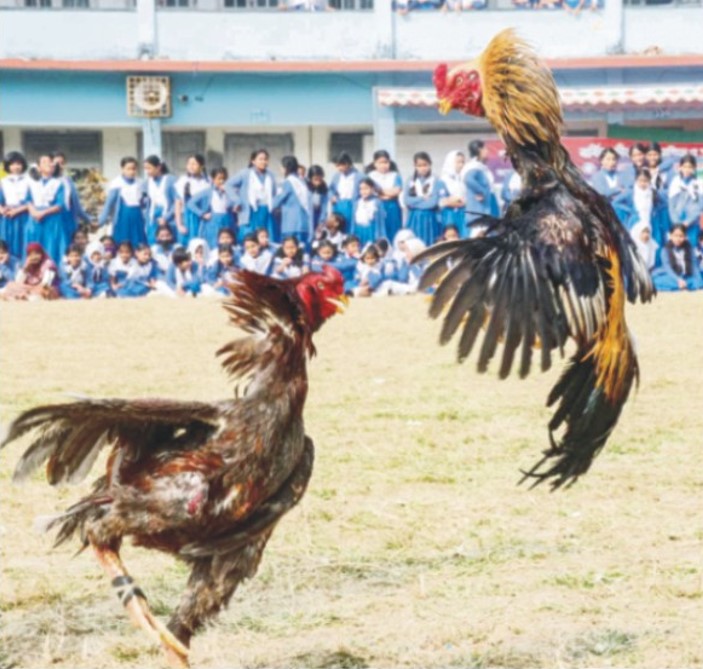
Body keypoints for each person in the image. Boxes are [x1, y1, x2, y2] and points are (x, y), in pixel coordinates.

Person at [225, 149, 277, 243]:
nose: (263, 162)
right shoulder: (245, 173)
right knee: (249, 237)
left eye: (265, 159)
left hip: (266, 210)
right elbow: (228, 185)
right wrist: (237, 200)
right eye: (260, 159)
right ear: (253, 161)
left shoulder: (271, 175)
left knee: (266, 237)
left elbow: (273, 193)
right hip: (250, 211)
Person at [26, 154, 67, 265]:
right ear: (39, 168)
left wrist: (43, 213)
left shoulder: (59, 184)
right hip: (35, 219)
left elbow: (59, 204)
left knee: (51, 246)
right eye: (44, 162)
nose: (49, 164)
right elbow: (28, 200)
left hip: (51, 219)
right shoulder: (32, 183)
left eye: (50, 161)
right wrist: (34, 212)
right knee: (34, 246)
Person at [98, 157, 147, 248]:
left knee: (139, 242)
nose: (131, 171)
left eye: (134, 169)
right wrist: (101, 221)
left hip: (137, 217)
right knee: (122, 242)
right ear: (122, 169)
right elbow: (109, 204)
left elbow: (144, 202)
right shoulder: (117, 183)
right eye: (128, 169)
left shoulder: (140, 183)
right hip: (122, 218)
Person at [187, 167, 237, 250]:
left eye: (224, 179)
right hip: (213, 221)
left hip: (228, 220)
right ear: (213, 179)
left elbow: (235, 203)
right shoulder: (208, 192)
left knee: (228, 241)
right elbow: (190, 203)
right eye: (219, 179)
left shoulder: (230, 191)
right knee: (213, 243)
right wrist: (202, 214)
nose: (222, 181)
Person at [271, 156, 313, 247]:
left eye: (281, 167)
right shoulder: (302, 181)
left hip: (290, 223)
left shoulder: (287, 182)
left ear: (286, 168)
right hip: (304, 222)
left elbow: (276, 201)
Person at [403, 151, 441, 245]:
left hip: (429, 217)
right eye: (419, 165)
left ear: (430, 164)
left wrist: (415, 204)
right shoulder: (411, 180)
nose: (422, 168)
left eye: (425, 165)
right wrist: (421, 198)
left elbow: (433, 202)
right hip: (414, 217)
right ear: (415, 166)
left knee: (429, 242)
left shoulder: (435, 179)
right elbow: (407, 200)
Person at [53, 152, 91, 244]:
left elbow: (76, 204)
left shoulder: (68, 181)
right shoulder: (48, 181)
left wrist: (89, 219)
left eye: (61, 163)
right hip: (54, 217)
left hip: (68, 216)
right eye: (56, 163)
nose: (59, 166)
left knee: (70, 243)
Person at [652, 224, 703, 291]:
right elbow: (668, 269)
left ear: (685, 237)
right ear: (670, 236)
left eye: (681, 236)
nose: (678, 239)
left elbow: (694, 267)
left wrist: (700, 283)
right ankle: (683, 286)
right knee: (655, 281)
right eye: (675, 236)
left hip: (687, 276)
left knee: (697, 281)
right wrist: (678, 280)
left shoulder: (690, 249)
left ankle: (682, 286)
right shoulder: (665, 250)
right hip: (673, 277)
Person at [0, 151, 31, 259]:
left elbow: (31, 200)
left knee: (23, 241)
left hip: (24, 215)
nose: (16, 167)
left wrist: (17, 210)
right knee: (6, 241)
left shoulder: (29, 181)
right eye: (12, 164)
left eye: (19, 164)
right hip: (7, 217)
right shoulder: (3, 182)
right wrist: (2, 210)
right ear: (8, 166)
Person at [367, 150, 403, 242]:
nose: (383, 165)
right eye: (380, 162)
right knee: (378, 231)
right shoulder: (370, 176)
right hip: (376, 207)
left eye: (386, 162)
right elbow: (370, 192)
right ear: (375, 163)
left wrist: (380, 191)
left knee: (393, 231)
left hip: (392, 207)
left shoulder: (395, 175)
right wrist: (387, 193)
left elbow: (396, 191)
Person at [174, 154, 210, 246]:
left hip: (203, 218)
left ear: (201, 166)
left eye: (194, 164)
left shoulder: (208, 181)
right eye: (189, 163)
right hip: (187, 218)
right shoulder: (182, 181)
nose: (191, 166)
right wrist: (179, 224)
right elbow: (178, 204)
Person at [668, 154, 702, 247]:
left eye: (690, 167)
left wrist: (687, 222)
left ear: (694, 168)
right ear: (680, 167)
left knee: (691, 249)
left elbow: (699, 207)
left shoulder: (698, 184)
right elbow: (671, 206)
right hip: (676, 223)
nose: (687, 169)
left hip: (691, 224)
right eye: (685, 166)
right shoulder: (675, 183)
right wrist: (677, 223)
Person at [143, 155, 177, 245]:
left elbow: (177, 202)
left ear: (158, 167)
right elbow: (146, 203)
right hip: (153, 216)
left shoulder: (170, 180)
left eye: (149, 168)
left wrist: (166, 217)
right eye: (145, 169)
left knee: (168, 240)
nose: (147, 172)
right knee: (153, 241)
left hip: (169, 216)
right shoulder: (147, 182)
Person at [463, 140, 494, 230]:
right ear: (478, 150)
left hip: (485, 206)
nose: (487, 151)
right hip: (478, 208)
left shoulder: (481, 166)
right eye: (484, 148)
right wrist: (482, 191)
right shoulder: (474, 166)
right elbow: (468, 179)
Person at [329, 152, 361, 232]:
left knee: (351, 228)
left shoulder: (359, 175)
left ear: (347, 164)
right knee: (338, 227)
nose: (338, 168)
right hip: (339, 205)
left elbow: (372, 186)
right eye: (337, 166)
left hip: (352, 205)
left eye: (340, 165)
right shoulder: (337, 176)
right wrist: (332, 196)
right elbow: (330, 189)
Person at [439, 150, 467, 237]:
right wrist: (460, 202)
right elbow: (444, 201)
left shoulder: (464, 179)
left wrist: (459, 201)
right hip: (449, 216)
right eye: (458, 162)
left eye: (463, 162)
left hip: (463, 215)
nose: (461, 165)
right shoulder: (443, 180)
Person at [352, 177, 386, 247]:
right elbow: (353, 221)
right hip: (359, 231)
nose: (363, 191)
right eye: (361, 189)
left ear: (372, 189)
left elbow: (380, 222)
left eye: (366, 188)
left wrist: (380, 237)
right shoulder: (357, 203)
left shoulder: (376, 202)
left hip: (371, 231)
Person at [307, 165, 329, 230]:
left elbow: (324, 207)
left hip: (318, 216)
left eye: (320, 179)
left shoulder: (324, 189)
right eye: (315, 179)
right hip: (308, 217)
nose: (318, 182)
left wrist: (321, 221)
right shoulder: (306, 189)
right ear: (310, 178)